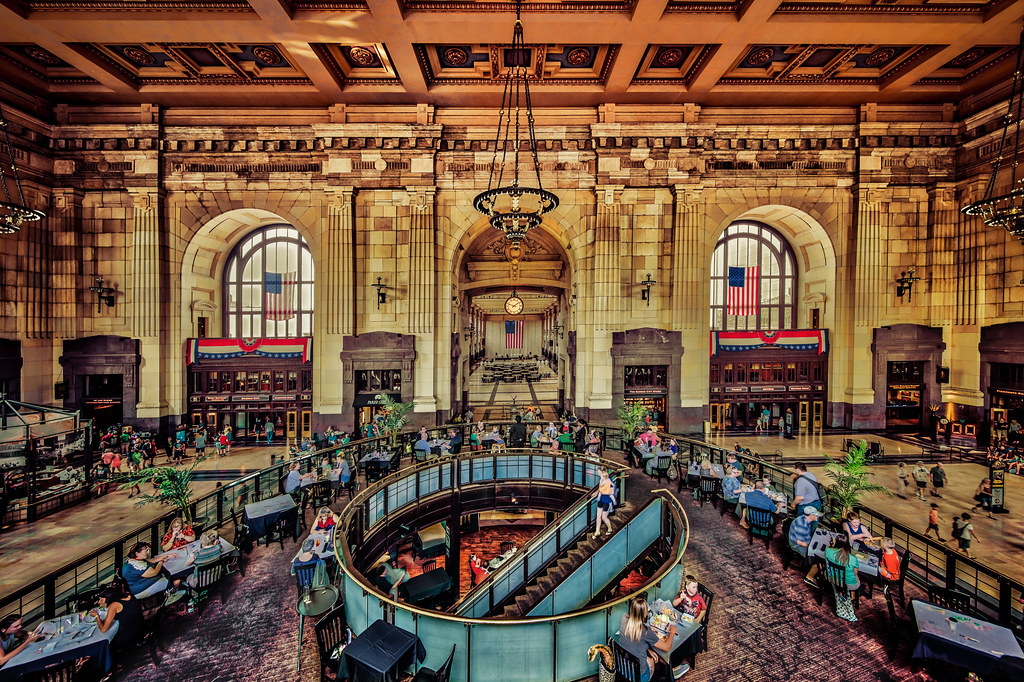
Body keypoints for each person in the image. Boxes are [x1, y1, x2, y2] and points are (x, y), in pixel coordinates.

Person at [617, 596, 686, 681]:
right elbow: (666, 647)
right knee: (653, 660)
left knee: (654, 655)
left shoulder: (624, 619)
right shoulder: (645, 631)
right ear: (644, 614)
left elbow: (632, 642)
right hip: (639, 676)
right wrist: (672, 632)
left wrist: (648, 650)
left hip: (623, 667)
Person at [789, 506, 822, 584]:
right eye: (816, 515)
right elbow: (799, 542)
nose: (818, 517)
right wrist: (813, 547)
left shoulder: (806, 520)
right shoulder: (801, 525)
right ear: (811, 515)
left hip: (804, 542)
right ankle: (809, 577)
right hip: (797, 546)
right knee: (819, 557)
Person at [593, 469, 615, 538]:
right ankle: (597, 531)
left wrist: (606, 492)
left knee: (604, 517)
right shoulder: (601, 479)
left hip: (607, 501)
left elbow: (612, 491)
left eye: (599, 472)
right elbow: (600, 487)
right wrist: (597, 492)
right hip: (601, 500)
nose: (598, 473)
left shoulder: (609, 481)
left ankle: (610, 529)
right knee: (598, 515)